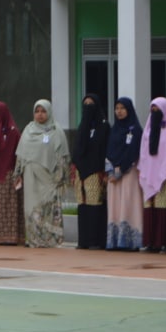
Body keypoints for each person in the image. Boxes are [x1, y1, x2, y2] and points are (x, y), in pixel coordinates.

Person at [13, 99, 70, 248]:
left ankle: (50, 240)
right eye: (37, 111)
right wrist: (17, 172)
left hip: (49, 177)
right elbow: (21, 154)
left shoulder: (56, 131)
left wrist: (60, 176)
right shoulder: (28, 130)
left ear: (49, 112)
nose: (40, 115)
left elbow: (62, 156)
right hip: (31, 175)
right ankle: (33, 239)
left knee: (48, 208)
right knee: (31, 208)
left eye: (43, 111)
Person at [71, 94, 109, 250]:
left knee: (95, 204)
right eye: (85, 104)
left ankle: (96, 240)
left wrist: (104, 171)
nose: (87, 107)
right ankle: (84, 241)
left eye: (91, 104)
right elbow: (78, 148)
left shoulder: (104, 126)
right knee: (82, 205)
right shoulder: (82, 126)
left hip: (96, 170)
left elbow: (104, 149)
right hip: (81, 170)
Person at [105, 97, 143, 250]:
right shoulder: (115, 129)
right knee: (115, 205)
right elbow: (109, 150)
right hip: (113, 174)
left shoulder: (135, 129)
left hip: (129, 173)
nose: (119, 111)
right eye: (117, 108)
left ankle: (130, 241)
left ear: (129, 110)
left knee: (129, 204)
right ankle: (115, 241)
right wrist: (112, 169)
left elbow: (133, 151)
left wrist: (121, 170)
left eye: (122, 108)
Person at [0, 101, 25, 246]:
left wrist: (17, 172)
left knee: (9, 205)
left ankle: (11, 236)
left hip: (8, 173)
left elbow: (19, 153)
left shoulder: (13, 132)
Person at [139, 97, 166, 254]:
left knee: (164, 207)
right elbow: (143, 151)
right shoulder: (147, 129)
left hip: (165, 175)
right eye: (152, 110)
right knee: (150, 208)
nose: (154, 113)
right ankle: (151, 242)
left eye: (158, 110)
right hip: (149, 174)